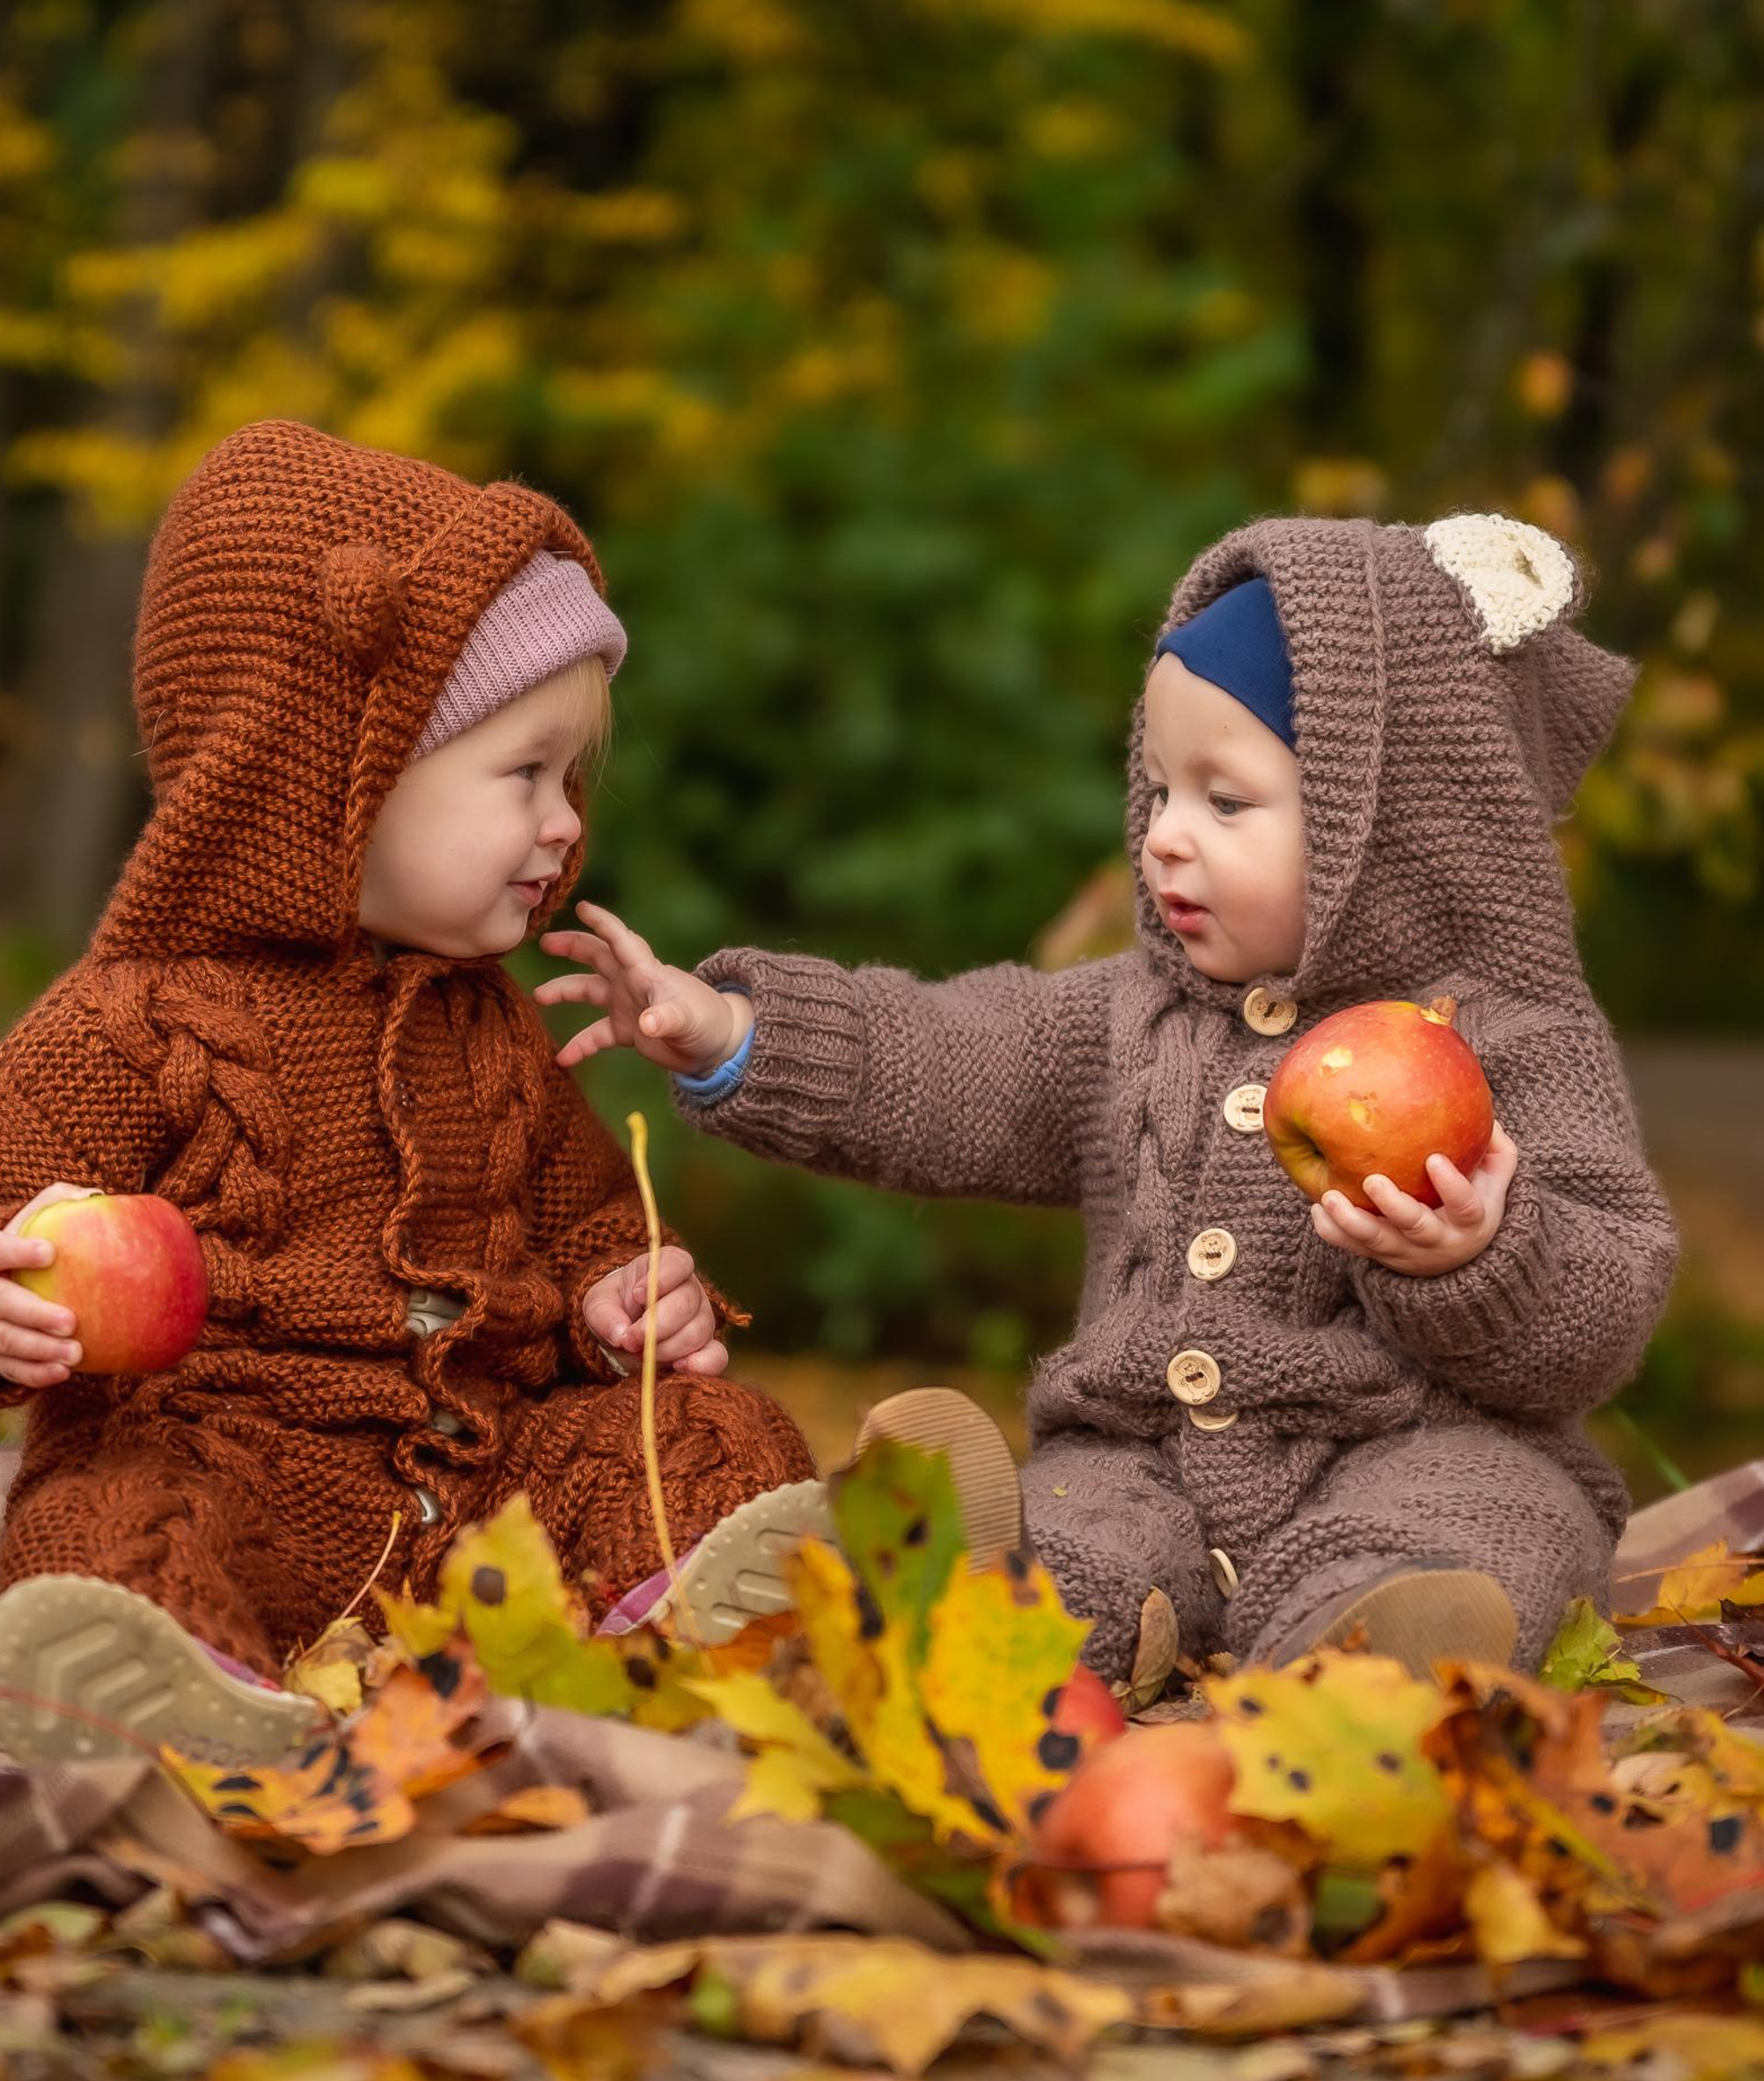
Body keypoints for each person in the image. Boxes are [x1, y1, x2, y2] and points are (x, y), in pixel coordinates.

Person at [537, 512, 1681, 1691]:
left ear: (1385, 831)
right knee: (1077, 1530)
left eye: (1224, 804)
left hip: (1421, 1447)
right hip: (1145, 1464)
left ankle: (1369, 1662)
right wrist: (731, 1032)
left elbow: (1605, 1303)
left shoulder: (1513, 1046)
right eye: (1161, 789)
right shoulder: (1129, 1019)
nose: (1163, 842)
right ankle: (965, 1596)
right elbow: (938, 1057)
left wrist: (1480, 1252)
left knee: (1491, 1530)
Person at [0, 419, 821, 1765]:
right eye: (522, 776)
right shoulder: (140, 1019)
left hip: (486, 1508)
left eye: (569, 781)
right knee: (101, 1513)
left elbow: (589, 1235)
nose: (563, 823)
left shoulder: (496, 1033)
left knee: (713, 1434)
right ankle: (174, 1688)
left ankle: (671, 1638)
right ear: (332, 778)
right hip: (233, 1475)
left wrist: (626, 1302)